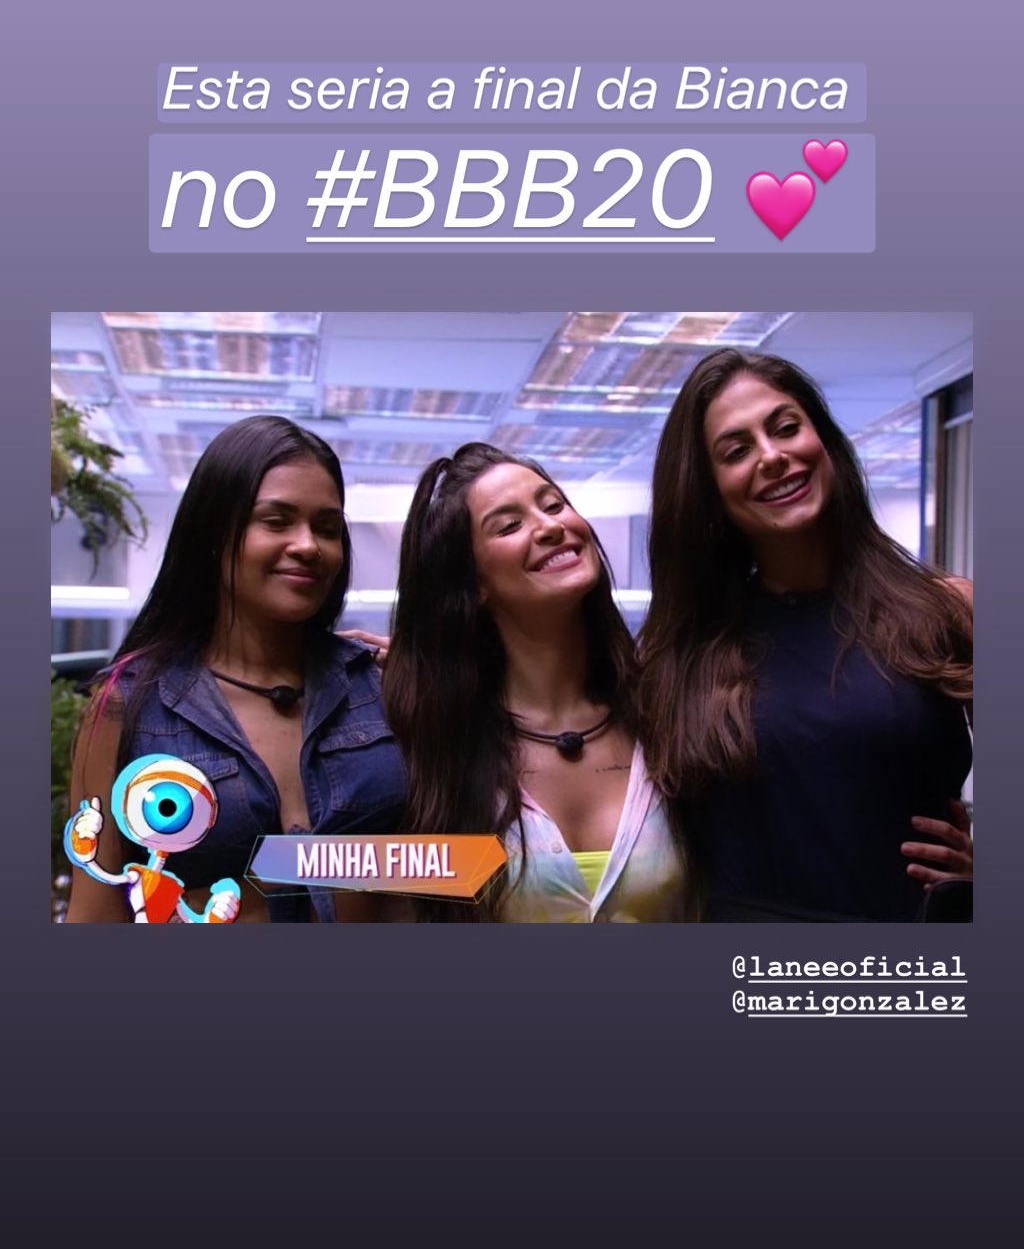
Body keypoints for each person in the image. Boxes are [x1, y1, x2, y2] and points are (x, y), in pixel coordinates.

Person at [639, 349, 974, 922]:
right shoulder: (677, 654)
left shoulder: (947, 608)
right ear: (709, 495)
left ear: (825, 444)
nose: (772, 456)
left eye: (786, 427)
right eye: (737, 451)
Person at [64, 416, 405, 922]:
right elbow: (95, 916)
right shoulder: (125, 707)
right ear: (214, 533)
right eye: (276, 521)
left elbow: (447, 875)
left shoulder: (377, 688)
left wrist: (442, 685)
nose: (308, 545)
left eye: (327, 528)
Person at [383, 444, 688, 922]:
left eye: (554, 505)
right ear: (472, 584)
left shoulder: (664, 715)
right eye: (509, 525)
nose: (550, 526)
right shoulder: (431, 749)